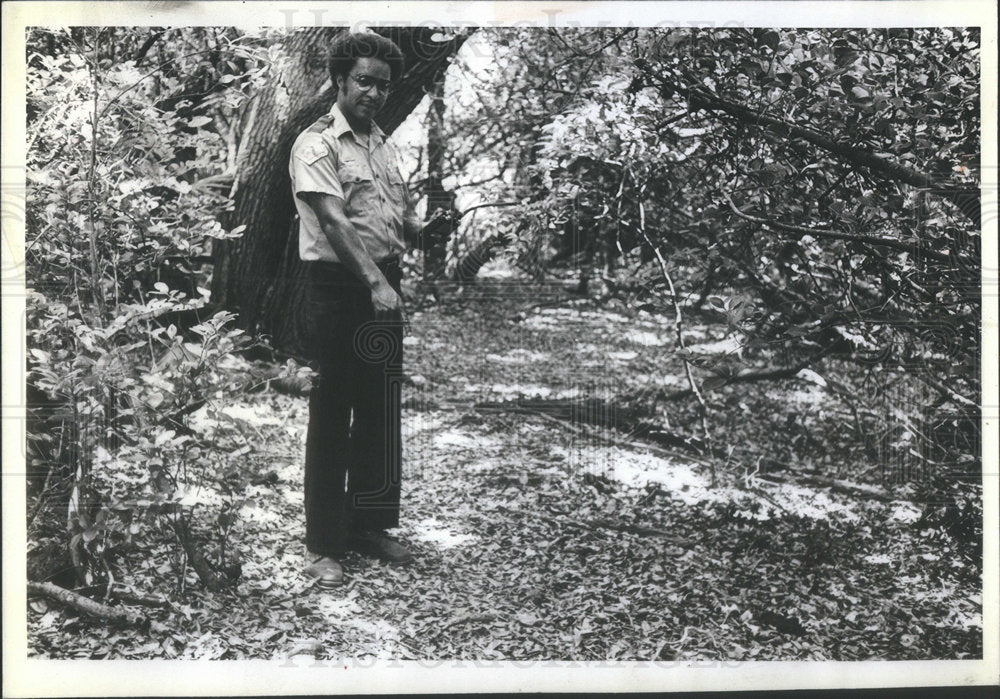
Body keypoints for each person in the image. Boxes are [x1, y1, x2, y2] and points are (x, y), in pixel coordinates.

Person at [289, 32, 432, 588]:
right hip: (339, 288)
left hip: (382, 285)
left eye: (383, 85)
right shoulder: (316, 143)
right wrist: (374, 282)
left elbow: (390, 215)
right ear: (341, 81)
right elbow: (334, 221)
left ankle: (369, 526)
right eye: (364, 81)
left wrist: (418, 230)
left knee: (380, 409)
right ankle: (324, 544)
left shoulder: (382, 142)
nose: (374, 93)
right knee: (333, 415)